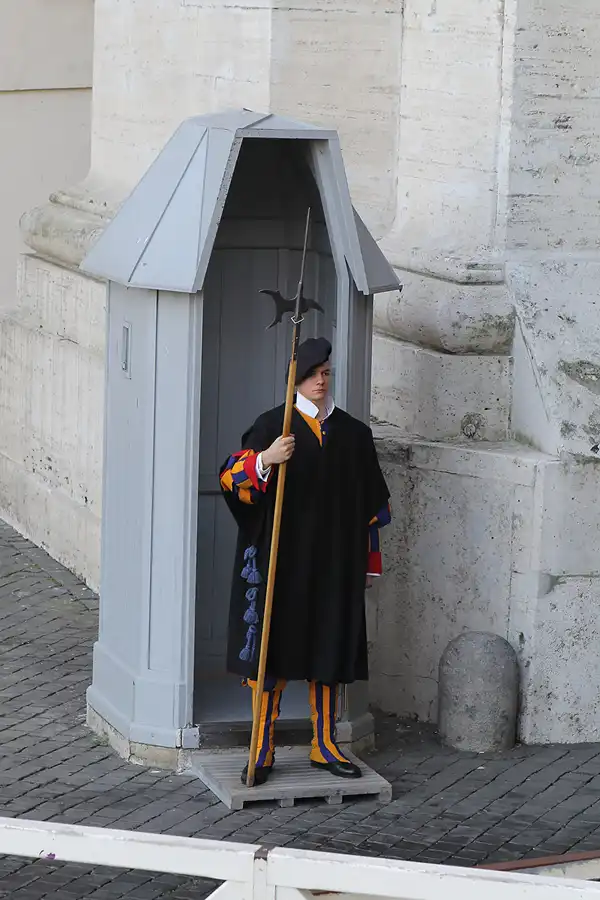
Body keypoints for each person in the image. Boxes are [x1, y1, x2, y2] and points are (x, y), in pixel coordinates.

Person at [219, 337, 391, 785]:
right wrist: (266, 459)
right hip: (283, 564)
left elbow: (373, 506)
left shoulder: (354, 434)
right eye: (312, 373)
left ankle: (325, 743)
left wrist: (368, 565)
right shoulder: (272, 425)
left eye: (325, 372)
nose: (320, 380)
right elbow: (232, 479)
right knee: (270, 656)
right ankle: (262, 747)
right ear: (295, 379)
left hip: (335, 566)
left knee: (329, 648)